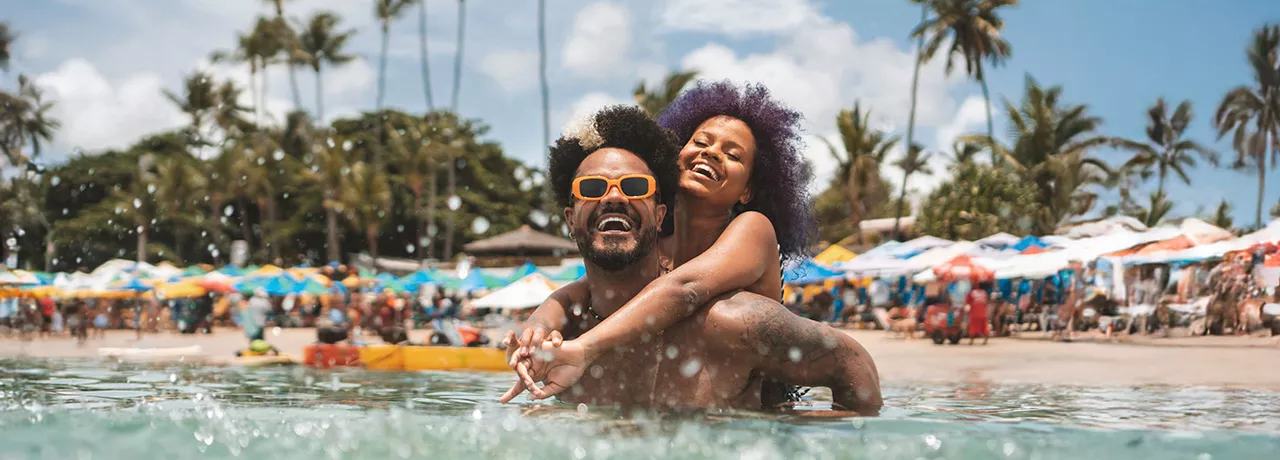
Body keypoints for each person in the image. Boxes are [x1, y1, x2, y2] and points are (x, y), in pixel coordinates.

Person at [499, 105, 881, 413]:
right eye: (701, 142)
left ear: (748, 190)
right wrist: (541, 321)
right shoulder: (656, 247)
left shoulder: (751, 229)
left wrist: (585, 347)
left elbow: (685, 289)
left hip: (758, 380)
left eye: (733, 154)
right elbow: (587, 285)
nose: (712, 152)